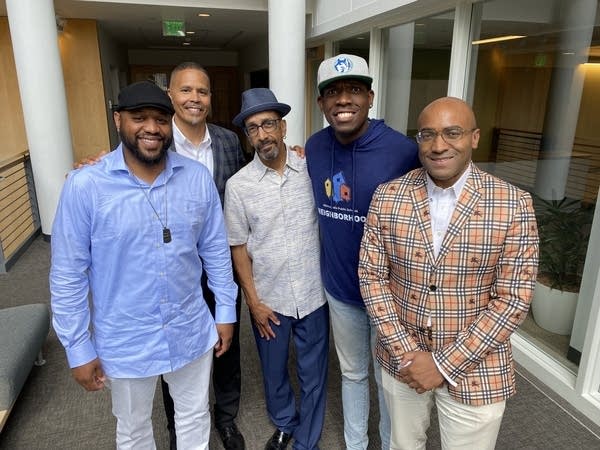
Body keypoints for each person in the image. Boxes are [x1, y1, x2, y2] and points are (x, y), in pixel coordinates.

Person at [49, 81, 238, 449]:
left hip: (191, 328)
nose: (151, 128)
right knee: (134, 428)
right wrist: (78, 347)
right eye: (139, 118)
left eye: (160, 119)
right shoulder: (86, 186)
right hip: (125, 337)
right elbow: (67, 275)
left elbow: (215, 249)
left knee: (194, 415)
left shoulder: (196, 179)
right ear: (118, 120)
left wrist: (226, 311)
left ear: (171, 125)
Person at [358, 96, 539, 449]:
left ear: (474, 137)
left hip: (477, 365)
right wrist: (408, 355)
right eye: (428, 135)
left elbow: (513, 298)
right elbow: (372, 278)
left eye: (452, 133)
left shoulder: (512, 203)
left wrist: (441, 364)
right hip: (402, 361)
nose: (438, 146)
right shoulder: (388, 196)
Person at [304, 53, 420, 449]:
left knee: (390, 380)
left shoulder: (403, 152)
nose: (343, 100)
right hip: (340, 290)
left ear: (370, 97)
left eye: (354, 89)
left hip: (391, 295)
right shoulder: (315, 148)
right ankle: (356, 445)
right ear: (321, 103)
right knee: (352, 374)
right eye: (332, 92)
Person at [224, 88, 329, 450]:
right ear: (247, 136)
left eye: (269, 124)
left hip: (314, 294)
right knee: (273, 372)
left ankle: (306, 440)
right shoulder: (238, 187)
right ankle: (284, 421)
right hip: (269, 299)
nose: (262, 134)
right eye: (253, 128)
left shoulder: (312, 169)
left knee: (313, 375)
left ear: (283, 128)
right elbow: (238, 247)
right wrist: (252, 300)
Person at [163, 61, 247, 450]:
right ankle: (177, 425)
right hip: (174, 268)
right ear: (171, 96)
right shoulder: (156, 142)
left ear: (210, 99)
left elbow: (247, 185)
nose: (194, 98)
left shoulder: (228, 141)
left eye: (202, 91)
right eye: (186, 90)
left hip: (223, 263)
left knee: (227, 341)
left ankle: (225, 418)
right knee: (177, 347)